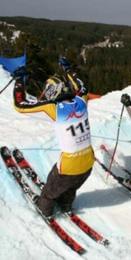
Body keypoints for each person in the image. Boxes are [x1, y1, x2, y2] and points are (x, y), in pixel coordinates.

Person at [12, 57, 94, 218]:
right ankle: (65, 205)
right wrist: (67, 69)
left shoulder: (53, 108)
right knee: (71, 187)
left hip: (69, 164)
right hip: (89, 160)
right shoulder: (82, 100)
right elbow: (80, 85)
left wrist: (19, 82)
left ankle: (45, 210)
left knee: (49, 191)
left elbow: (19, 106)